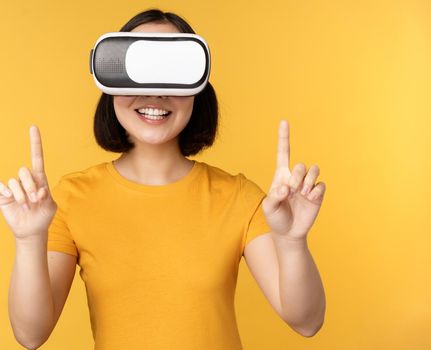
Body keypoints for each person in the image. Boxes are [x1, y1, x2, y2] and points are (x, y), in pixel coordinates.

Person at [3, 9, 326, 350]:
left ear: (197, 87)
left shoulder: (238, 197)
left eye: (171, 71)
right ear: (110, 84)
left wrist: (292, 242)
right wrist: (28, 241)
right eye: (139, 72)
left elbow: (307, 321)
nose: (154, 92)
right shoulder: (71, 198)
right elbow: (30, 335)